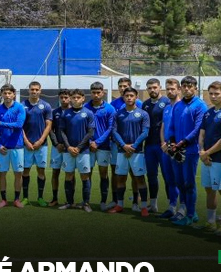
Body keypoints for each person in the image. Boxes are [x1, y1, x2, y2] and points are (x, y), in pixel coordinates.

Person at [169, 76, 207, 226]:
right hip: (176, 149)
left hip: (190, 150)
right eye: (184, 86)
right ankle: (186, 211)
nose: (186, 88)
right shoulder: (177, 106)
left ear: (195, 88)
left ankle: (191, 214)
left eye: (189, 86)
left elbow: (198, 129)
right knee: (179, 182)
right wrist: (172, 142)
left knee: (189, 183)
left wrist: (183, 143)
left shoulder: (200, 105)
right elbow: (171, 125)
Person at [198, 82, 221, 233]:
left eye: (216, 93)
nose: (213, 96)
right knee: (209, 189)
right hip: (206, 159)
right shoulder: (208, 112)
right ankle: (211, 221)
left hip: (219, 158)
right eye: (211, 93)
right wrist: (202, 151)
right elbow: (202, 134)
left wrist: (207, 153)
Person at [110, 87, 150, 216]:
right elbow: (114, 132)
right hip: (122, 151)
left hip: (137, 152)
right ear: (123, 97)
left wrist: (133, 146)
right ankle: (120, 205)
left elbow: (145, 132)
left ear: (136, 97)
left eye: (131, 95)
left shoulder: (143, 114)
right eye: (127, 96)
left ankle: (143, 207)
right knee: (121, 178)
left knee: (140, 179)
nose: (129, 98)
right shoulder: (118, 114)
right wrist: (123, 145)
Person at [56, 89, 94, 212]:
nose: (76, 99)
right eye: (73, 98)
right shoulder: (65, 113)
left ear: (83, 98)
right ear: (70, 99)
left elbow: (90, 132)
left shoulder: (88, 113)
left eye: (78, 97)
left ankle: (86, 203)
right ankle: (69, 202)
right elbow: (62, 131)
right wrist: (68, 147)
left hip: (83, 151)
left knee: (85, 177)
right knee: (68, 175)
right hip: (69, 151)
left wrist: (79, 147)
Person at [85, 82, 116, 211]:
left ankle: (103, 201)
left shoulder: (109, 109)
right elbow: (84, 128)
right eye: (93, 92)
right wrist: (90, 142)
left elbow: (110, 128)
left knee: (103, 173)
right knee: (87, 173)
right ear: (90, 93)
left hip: (103, 146)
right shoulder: (85, 107)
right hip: (88, 146)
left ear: (103, 92)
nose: (96, 95)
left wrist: (97, 142)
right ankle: (86, 201)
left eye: (98, 92)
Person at [0, 84, 27, 208]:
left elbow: (19, 125)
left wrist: (1, 123)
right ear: (2, 94)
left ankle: (17, 199)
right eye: (5, 93)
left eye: (9, 93)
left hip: (17, 147)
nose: (7, 95)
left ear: (13, 94)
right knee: (2, 173)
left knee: (18, 173)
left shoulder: (19, 108)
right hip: (3, 148)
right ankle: (3, 199)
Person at [22, 81, 53, 207]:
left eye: (36, 89)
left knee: (41, 170)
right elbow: (20, 126)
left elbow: (49, 125)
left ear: (40, 91)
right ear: (28, 90)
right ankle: (25, 198)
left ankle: (40, 197)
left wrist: (40, 141)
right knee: (25, 171)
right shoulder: (22, 106)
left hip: (42, 145)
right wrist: (27, 142)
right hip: (26, 145)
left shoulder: (46, 106)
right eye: (32, 89)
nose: (34, 91)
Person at [142, 79, 167, 213]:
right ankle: (153, 204)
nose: (152, 90)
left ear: (160, 87)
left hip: (163, 146)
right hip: (149, 145)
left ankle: (171, 205)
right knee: (151, 175)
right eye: (149, 88)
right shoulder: (145, 104)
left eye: (154, 87)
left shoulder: (167, 102)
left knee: (167, 175)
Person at [158, 78, 182, 219]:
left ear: (178, 89)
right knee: (169, 179)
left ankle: (183, 208)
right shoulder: (166, 107)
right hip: (166, 148)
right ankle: (172, 207)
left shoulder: (182, 106)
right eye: (168, 89)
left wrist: (175, 145)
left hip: (178, 149)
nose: (170, 91)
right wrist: (163, 143)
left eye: (173, 89)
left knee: (180, 179)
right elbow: (163, 127)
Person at [47, 89, 70, 207]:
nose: (64, 99)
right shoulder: (54, 112)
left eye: (66, 97)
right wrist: (56, 144)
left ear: (70, 98)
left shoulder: (74, 112)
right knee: (55, 172)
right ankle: (54, 198)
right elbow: (50, 129)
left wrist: (67, 146)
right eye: (62, 97)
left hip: (69, 148)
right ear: (59, 98)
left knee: (69, 173)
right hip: (57, 148)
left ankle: (69, 200)